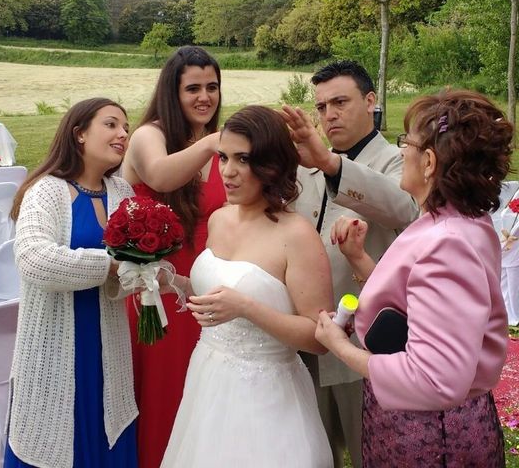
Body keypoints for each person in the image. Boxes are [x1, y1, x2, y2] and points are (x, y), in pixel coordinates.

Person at [315, 89, 511, 466]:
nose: (401, 149)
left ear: (429, 161)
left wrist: (340, 348)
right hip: (424, 423)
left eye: (407, 142)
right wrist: (359, 259)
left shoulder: (448, 243)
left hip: (430, 435)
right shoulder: (454, 219)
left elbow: (433, 379)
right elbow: (419, 305)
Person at [161, 105, 334, 467]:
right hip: (208, 379)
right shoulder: (221, 218)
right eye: (223, 157)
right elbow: (217, 289)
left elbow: (320, 338)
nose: (227, 171)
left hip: (268, 395)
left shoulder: (296, 235)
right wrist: (170, 281)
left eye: (243, 159)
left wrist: (247, 308)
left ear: (271, 164)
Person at [279, 60, 419, 467]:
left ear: (371, 101)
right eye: (321, 107)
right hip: (307, 340)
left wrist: (332, 164)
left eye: (340, 102)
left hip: (366, 344)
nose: (329, 115)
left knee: (370, 454)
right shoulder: (305, 167)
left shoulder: (396, 160)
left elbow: (406, 208)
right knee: (314, 455)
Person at [5, 98, 137, 468]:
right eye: (111, 125)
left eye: (125, 127)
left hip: (106, 342)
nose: (123, 134)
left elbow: (128, 270)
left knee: (108, 419)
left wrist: (143, 273)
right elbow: (34, 260)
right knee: (53, 435)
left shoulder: (122, 192)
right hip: (55, 343)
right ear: (79, 134)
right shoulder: (46, 191)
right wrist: (110, 266)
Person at [121, 46, 226, 468]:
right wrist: (214, 144)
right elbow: (160, 174)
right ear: (172, 91)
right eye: (193, 88)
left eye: (213, 87)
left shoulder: (215, 143)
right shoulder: (151, 134)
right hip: (158, 285)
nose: (205, 97)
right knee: (166, 387)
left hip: (209, 281)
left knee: (204, 388)